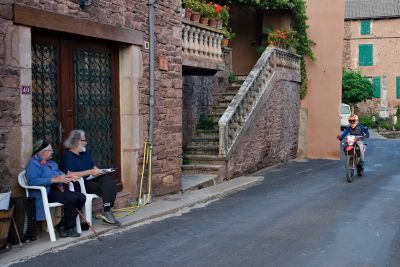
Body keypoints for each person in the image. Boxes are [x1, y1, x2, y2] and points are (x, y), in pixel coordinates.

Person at [25, 139, 86, 238]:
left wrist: (68, 176)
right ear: (43, 152)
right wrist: (53, 180)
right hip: (46, 192)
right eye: (50, 149)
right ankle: (70, 227)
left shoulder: (51, 163)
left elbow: (59, 174)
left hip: (58, 189)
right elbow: (32, 181)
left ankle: (62, 224)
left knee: (81, 197)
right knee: (71, 198)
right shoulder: (33, 164)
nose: (52, 151)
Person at [60, 129, 121, 226]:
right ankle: (107, 211)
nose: (86, 142)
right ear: (76, 142)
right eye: (83, 140)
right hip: (80, 184)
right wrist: (90, 172)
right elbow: (70, 174)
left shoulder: (85, 153)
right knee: (107, 187)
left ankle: (106, 209)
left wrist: (99, 171)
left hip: (91, 180)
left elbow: (93, 166)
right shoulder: (68, 156)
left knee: (108, 180)